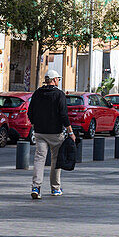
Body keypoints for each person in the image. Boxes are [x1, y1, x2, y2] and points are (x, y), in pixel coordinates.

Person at [27, 67, 75, 198]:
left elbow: (29, 112)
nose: (58, 81)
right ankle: (55, 188)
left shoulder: (37, 93)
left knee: (39, 159)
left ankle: (36, 188)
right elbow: (64, 115)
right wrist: (70, 132)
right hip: (55, 133)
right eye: (58, 79)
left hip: (40, 132)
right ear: (54, 80)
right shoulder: (59, 94)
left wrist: (35, 124)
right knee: (56, 160)